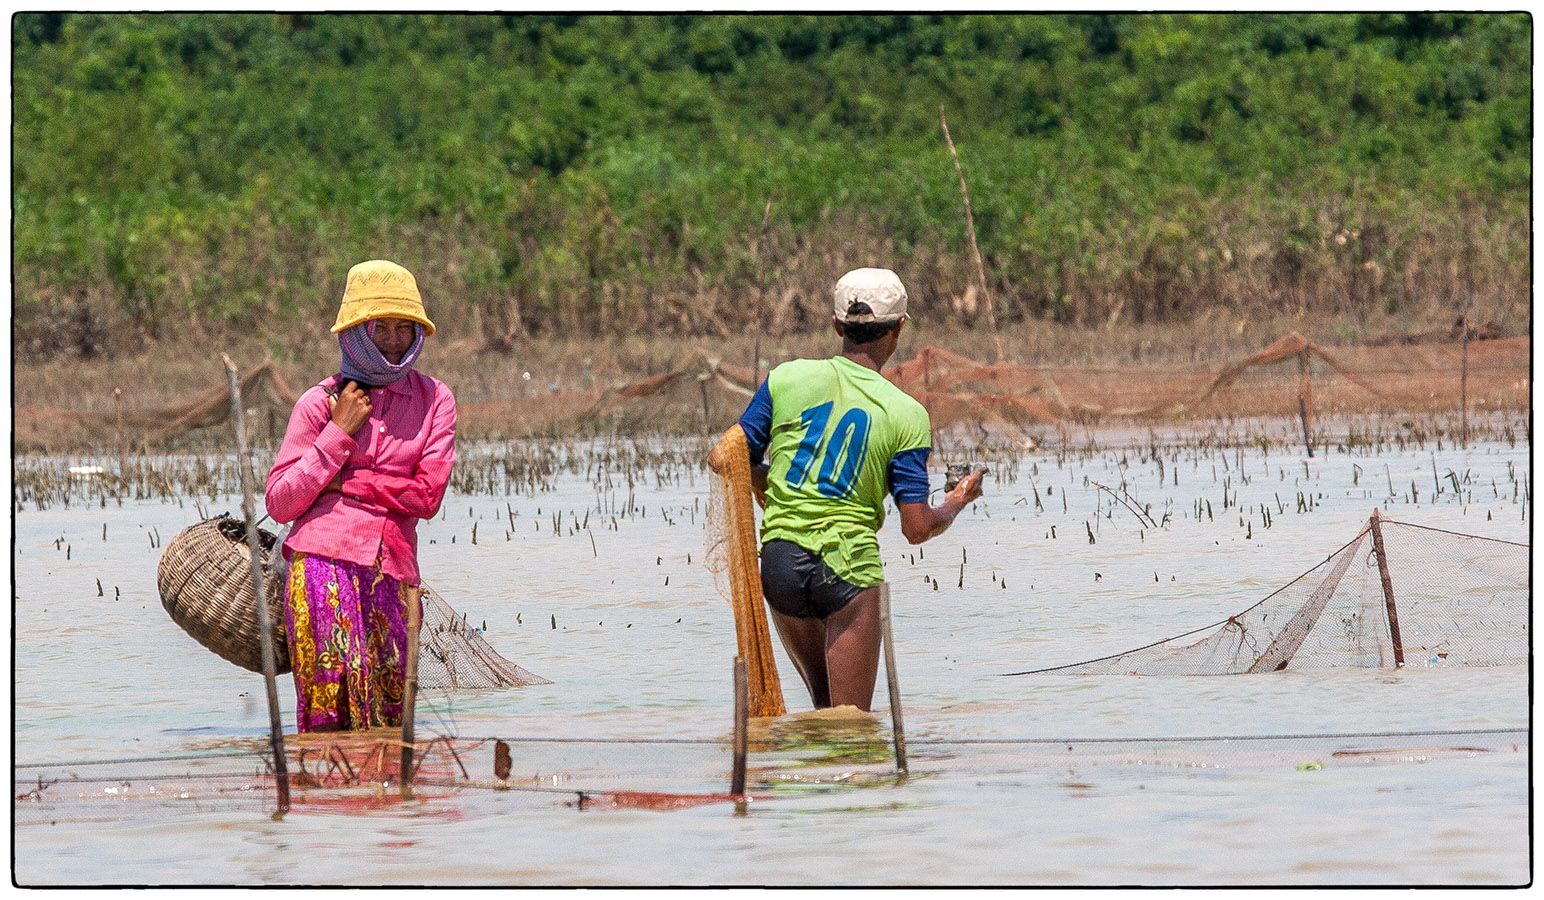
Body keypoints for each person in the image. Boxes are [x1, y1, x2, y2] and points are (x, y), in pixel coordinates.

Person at [737, 267, 985, 711]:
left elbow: (735, 453)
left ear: (836, 326)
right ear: (900, 328)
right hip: (847, 570)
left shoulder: (785, 378)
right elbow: (916, 527)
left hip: (779, 567)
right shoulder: (905, 413)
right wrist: (957, 500)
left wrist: (767, 487)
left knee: (821, 711)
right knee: (850, 724)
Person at [264, 259, 457, 732]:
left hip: (393, 569)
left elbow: (427, 496)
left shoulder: (436, 401)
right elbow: (281, 502)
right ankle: (328, 804)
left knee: (392, 717)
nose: (393, 341)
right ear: (354, 332)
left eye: (403, 328)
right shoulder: (319, 403)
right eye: (379, 328)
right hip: (321, 564)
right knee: (330, 714)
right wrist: (337, 433)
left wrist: (345, 483)